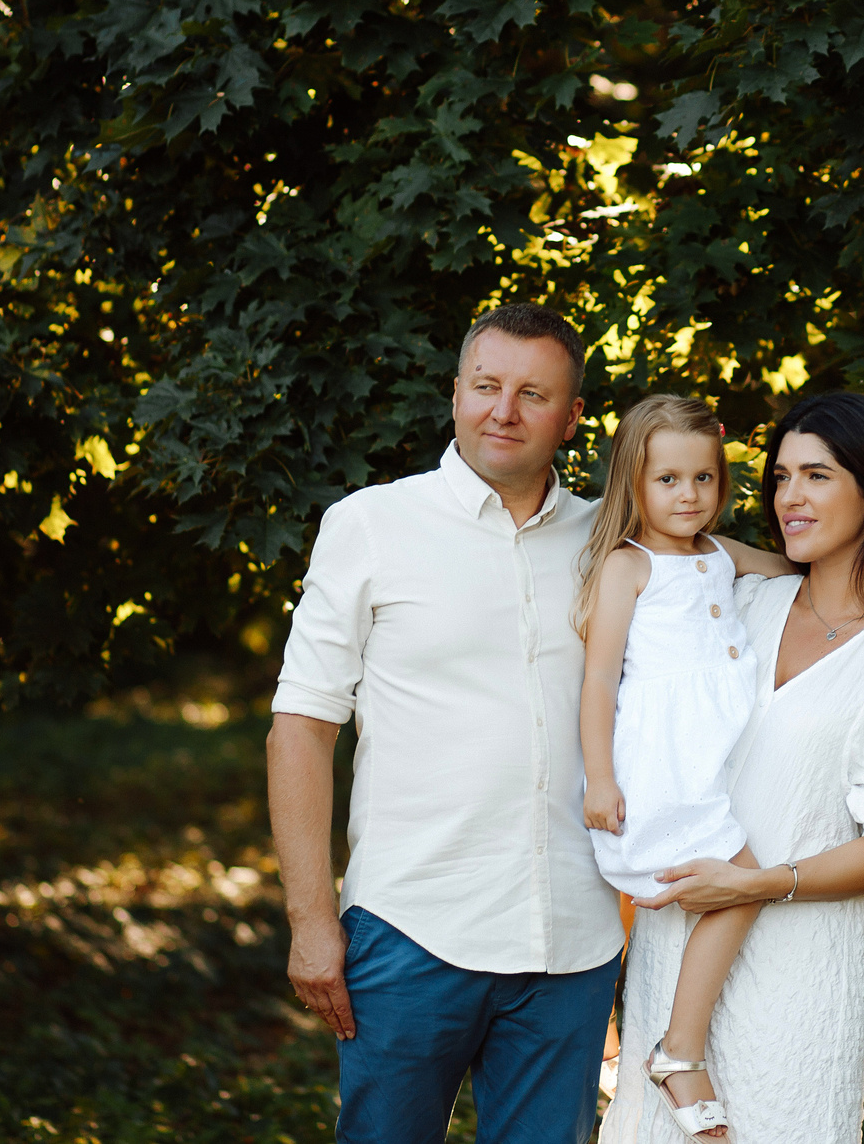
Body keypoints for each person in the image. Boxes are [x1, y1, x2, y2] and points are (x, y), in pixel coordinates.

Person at [265, 303, 622, 1144]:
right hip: (414, 928)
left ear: (571, 419)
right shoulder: (371, 524)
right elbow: (301, 728)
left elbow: (727, 571)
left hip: (571, 938)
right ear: (455, 392)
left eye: (533, 393)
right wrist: (312, 922)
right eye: (486, 385)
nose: (504, 410)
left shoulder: (612, 540)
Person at [598, 392, 864, 1144]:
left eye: (817, 475)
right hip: (670, 958)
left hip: (799, 980)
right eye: (780, 477)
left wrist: (758, 881)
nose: (790, 497)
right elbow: (643, 745)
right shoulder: (740, 602)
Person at [575, 396, 798, 1139]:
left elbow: (797, 571)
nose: (688, 495)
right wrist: (600, 777)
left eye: (703, 477)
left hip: (709, 762)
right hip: (657, 767)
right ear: (633, 482)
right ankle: (678, 1049)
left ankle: (665, 1045)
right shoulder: (627, 566)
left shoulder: (720, 553)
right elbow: (600, 679)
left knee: (733, 885)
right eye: (667, 478)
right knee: (738, 885)